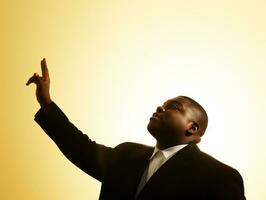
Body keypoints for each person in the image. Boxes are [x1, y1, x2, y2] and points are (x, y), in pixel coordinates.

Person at [26, 58, 246, 200]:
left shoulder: (219, 177)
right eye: (163, 103)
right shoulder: (125, 155)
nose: (161, 107)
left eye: (174, 107)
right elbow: (80, 147)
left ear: (192, 128)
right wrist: (46, 103)